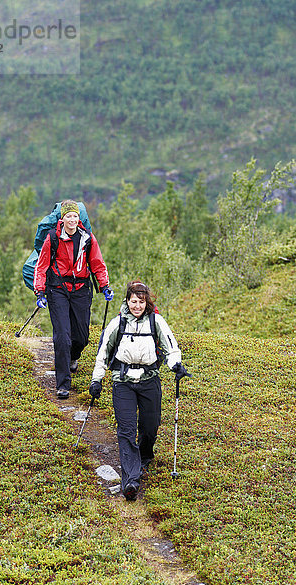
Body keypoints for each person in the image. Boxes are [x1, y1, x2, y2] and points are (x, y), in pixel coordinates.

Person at [89, 280, 190, 501]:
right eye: (133, 301)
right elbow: (103, 352)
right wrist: (97, 380)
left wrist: (176, 365)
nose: (137, 306)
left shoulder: (157, 321)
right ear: (127, 301)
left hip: (149, 380)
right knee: (126, 430)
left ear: (147, 302)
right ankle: (131, 481)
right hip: (122, 382)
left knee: (150, 426)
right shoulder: (117, 324)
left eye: (141, 302)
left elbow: (171, 346)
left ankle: (144, 456)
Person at [34, 200, 113, 399]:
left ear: (79, 219)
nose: (72, 219)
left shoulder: (87, 238)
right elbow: (42, 266)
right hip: (57, 289)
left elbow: (97, 264)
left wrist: (104, 286)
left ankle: (73, 357)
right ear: (62, 218)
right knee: (62, 336)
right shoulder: (52, 238)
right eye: (68, 216)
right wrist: (40, 292)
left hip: (81, 289)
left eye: (75, 216)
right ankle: (63, 384)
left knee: (81, 336)